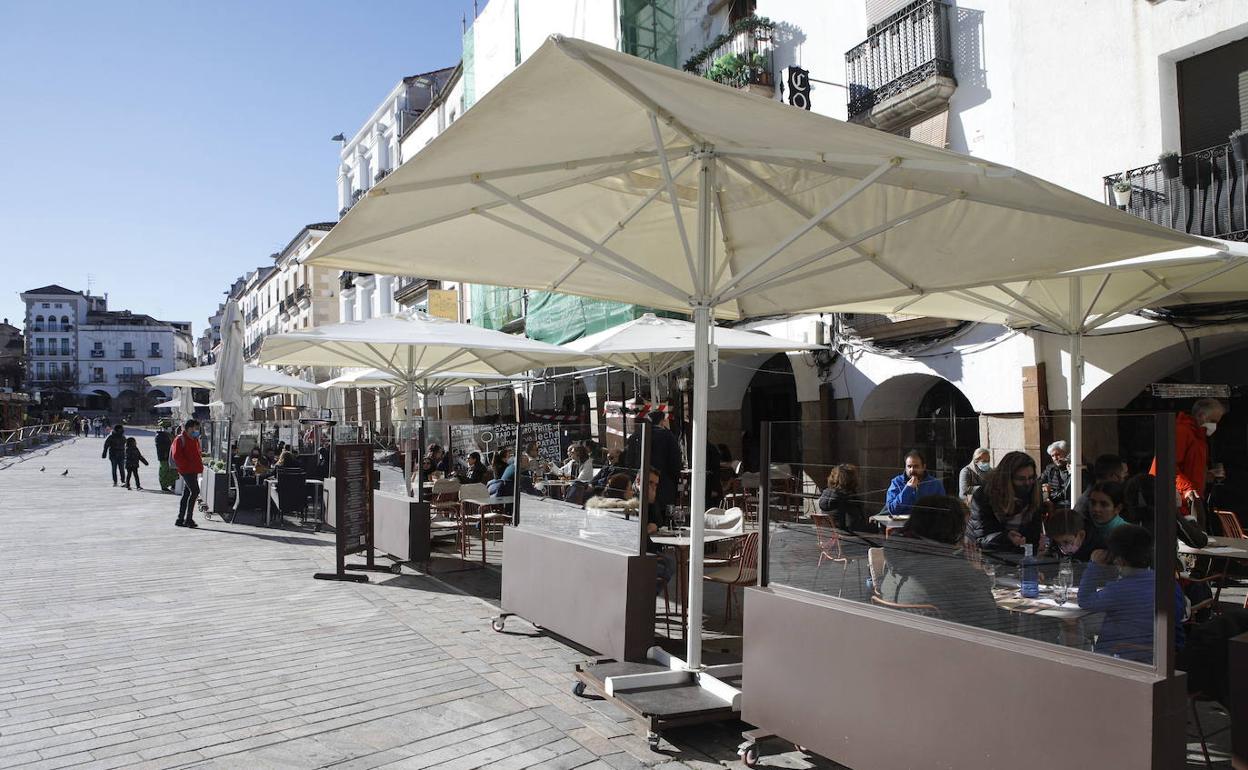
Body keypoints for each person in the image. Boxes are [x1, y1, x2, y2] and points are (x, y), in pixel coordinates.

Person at [877, 495, 1007, 630]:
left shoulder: (895, 559)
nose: (963, 538)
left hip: (903, 639)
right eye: (962, 529)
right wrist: (976, 571)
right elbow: (987, 619)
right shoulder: (954, 571)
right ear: (950, 530)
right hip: (946, 644)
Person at [1078, 524, 1185, 663]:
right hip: (1163, 657)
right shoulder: (1167, 582)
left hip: (1121, 657)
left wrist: (1094, 565)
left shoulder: (1117, 590)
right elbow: (1180, 612)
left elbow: (1084, 600)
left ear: (1119, 560)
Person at [1150, 398, 1227, 520]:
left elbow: (1185, 467)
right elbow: (1167, 466)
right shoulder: (1183, 432)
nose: (1215, 426)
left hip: (1186, 499)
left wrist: (1205, 476)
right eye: (1213, 421)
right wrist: (1187, 488)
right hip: (1179, 500)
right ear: (1201, 415)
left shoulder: (1198, 437)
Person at [966, 450, 1046, 554]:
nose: (1027, 483)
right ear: (1007, 479)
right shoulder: (984, 496)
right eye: (1021, 479)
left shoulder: (1035, 493)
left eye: (1031, 478)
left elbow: (1034, 532)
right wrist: (1006, 538)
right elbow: (981, 537)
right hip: (993, 556)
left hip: (1025, 556)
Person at [624, 410, 684, 512]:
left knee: (642, 513)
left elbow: (629, 460)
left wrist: (634, 477)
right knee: (662, 516)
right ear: (662, 421)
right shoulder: (668, 436)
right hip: (663, 483)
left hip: (640, 482)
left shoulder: (636, 435)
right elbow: (675, 462)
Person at [884, 450, 945, 516]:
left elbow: (942, 510)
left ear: (923, 467)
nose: (912, 470)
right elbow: (892, 510)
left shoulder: (935, 484)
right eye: (909, 466)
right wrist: (908, 489)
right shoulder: (897, 482)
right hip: (902, 523)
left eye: (916, 466)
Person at [170, 419, 204, 528]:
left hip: (193, 469)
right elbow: (177, 456)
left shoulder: (194, 439)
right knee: (195, 491)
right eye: (196, 428)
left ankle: (180, 519)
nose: (197, 431)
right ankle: (188, 519)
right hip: (186, 470)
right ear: (189, 428)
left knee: (187, 493)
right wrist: (187, 465)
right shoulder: (180, 439)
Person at [817, 463, 866, 531]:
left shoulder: (825, 495)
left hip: (828, 537)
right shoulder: (849, 499)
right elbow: (853, 525)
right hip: (848, 538)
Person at [1040, 440, 1072, 509]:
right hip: (1053, 502)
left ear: (1065, 454)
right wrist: (1043, 487)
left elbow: (1067, 492)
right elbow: (1039, 482)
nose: (1055, 458)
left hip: (1067, 503)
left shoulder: (1071, 469)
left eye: (1058, 454)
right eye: (1052, 456)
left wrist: (1051, 497)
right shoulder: (1050, 468)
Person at [154, 424, 175, 492]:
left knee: (169, 471)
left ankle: (170, 484)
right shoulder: (161, 436)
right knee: (164, 471)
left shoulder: (165, 435)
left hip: (167, 455)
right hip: (164, 456)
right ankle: (163, 485)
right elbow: (164, 447)